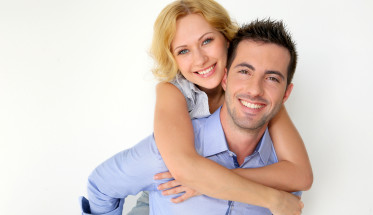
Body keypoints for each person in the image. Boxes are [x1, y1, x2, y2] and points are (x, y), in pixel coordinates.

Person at [80, 19, 306, 215]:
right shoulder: (171, 104)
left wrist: (212, 181)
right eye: (245, 71)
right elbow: (102, 186)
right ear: (227, 77)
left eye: (272, 79)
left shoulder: (281, 173)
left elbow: (302, 175)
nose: (200, 60)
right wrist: (271, 199)